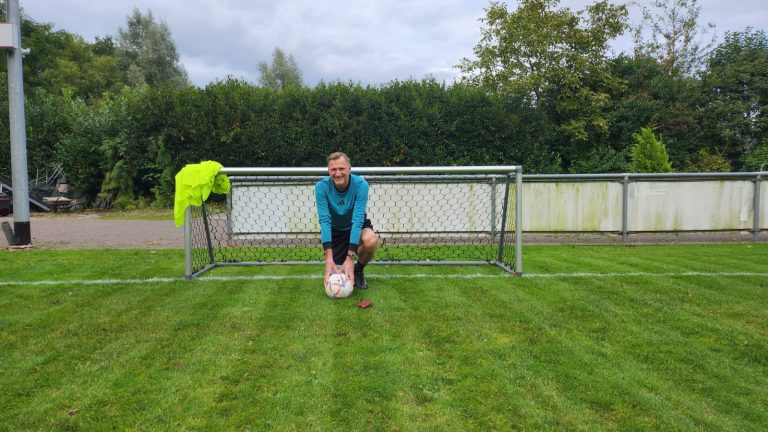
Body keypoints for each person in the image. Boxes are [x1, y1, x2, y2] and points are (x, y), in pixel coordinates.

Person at [315, 152, 377, 289]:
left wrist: (350, 258)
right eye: (333, 169)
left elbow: (357, 221)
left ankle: (358, 270)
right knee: (337, 273)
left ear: (349, 168)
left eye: (341, 168)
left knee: (371, 240)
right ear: (328, 171)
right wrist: (328, 259)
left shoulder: (361, 185)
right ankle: (340, 263)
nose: (338, 173)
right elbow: (324, 221)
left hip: (355, 226)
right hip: (335, 229)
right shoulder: (321, 187)